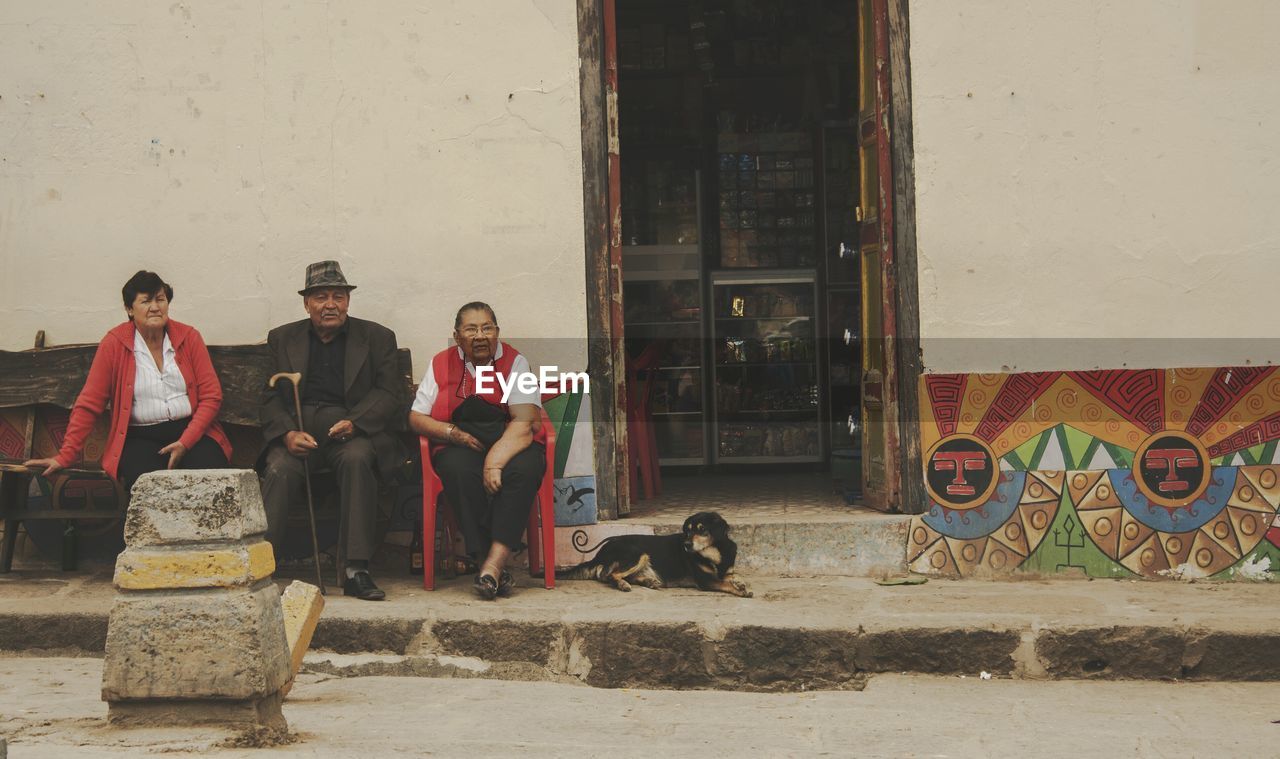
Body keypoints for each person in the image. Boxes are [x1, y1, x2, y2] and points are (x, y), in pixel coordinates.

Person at [259, 261, 403, 601]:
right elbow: (266, 397)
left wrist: (356, 422)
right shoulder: (282, 339)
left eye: (339, 296)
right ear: (306, 303)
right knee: (278, 468)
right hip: (298, 434)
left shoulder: (377, 338)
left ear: (348, 302)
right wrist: (287, 434)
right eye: (321, 296)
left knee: (357, 461)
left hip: (350, 432)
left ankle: (355, 570)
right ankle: (261, 565)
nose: (331, 304)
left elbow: (389, 393)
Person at [23, 270, 231, 492]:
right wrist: (66, 455)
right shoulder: (114, 344)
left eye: (160, 299)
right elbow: (89, 403)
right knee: (148, 490)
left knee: (212, 482)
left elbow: (211, 396)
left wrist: (185, 441)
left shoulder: (189, 337)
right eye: (146, 300)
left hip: (192, 432)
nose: (155, 307)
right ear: (130, 309)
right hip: (141, 439)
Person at [408, 302, 546, 600]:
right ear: (457, 336)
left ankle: (492, 565)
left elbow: (525, 421)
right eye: (471, 329)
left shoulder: (515, 362)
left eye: (487, 328)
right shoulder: (440, 363)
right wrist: (451, 433)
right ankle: (492, 566)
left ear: (497, 332)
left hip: (511, 440)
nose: (480, 335)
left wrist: (494, 461)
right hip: (461, 441)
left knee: (524, 470)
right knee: (458, 470)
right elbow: (417, 417)